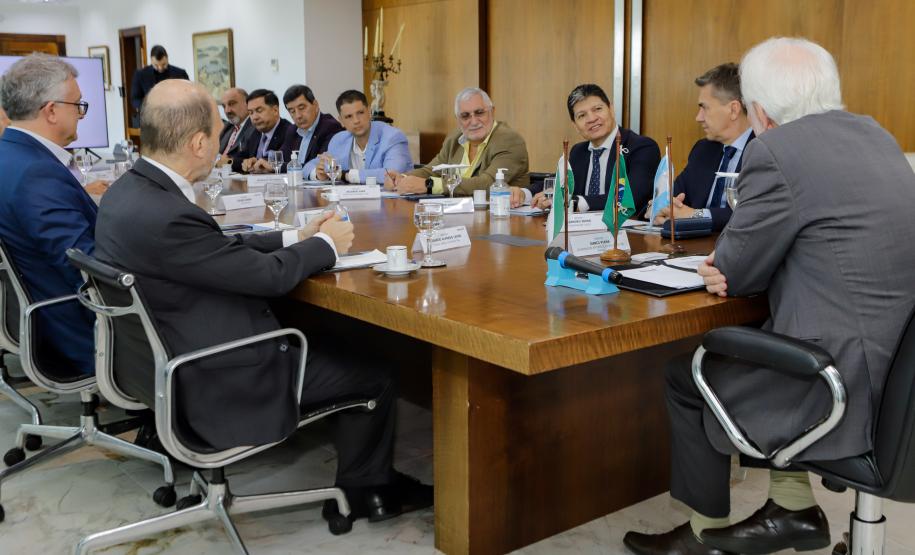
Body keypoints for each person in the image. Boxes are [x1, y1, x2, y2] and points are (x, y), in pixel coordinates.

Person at [623, 37, 915, 555]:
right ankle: (793, 510)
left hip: (845, 386)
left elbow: (736, 269)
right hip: (898, 378)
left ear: (756, 108)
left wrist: (730, 269)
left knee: (690, 371)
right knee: (757, 340)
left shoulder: (777, 150)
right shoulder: (875, 134)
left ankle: (701, 534)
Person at [94, 78, 431, 522]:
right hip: (219, 373)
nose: (222, 144)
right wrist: (327, 244)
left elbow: (215, 254)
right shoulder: (169, 214)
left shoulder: (128, 194)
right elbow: (268, 279)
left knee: (329, 333)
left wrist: (297, 235)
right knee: (378, 370)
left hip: (159, 362)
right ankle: (371, 491)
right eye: (217, 135)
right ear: (198, 143)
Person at [0, 54, 107, 378]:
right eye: (77, 105)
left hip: (40, 317)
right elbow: (85, 266)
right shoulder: (37, 173)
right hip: (79, 332)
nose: (81, 114)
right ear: (51, 110)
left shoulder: (9, 156)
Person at [527, 84, 659, 214]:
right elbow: (559, 183)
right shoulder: (578, 152)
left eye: (597, 109)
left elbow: (630, 196)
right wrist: (524, 193)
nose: (592, 118)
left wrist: (577, 203)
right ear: (575, 125)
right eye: (582, 115)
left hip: (625, 230)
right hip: (581, 230)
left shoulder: (642, 147)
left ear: (611, 109)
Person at [652, 64, 754, 231]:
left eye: (704, 108)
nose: (698, 118)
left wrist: (696, 215)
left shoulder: (766, 152)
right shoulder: (704, 149)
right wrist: (660, 208)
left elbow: (753, 214)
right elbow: (673, 199)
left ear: (733, 110)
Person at [389, 87, 529, 195]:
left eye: (479, 113)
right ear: (458, 120)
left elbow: (488, 184)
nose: (473, 121)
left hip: (499, 217)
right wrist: (402, 178)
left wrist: (429, 185)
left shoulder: (509, 140)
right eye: (465, 116)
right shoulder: (455, 138)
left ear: (492, 112)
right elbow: (431, 170)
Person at [306, 89, 412, 183]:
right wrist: (318, 173)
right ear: (341, 121)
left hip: (391, 203)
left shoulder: (393, 137)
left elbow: (392, 174)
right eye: (349, 116)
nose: (356, 121)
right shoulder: (339, 140)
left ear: (369, 112)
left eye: (360, 113)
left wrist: (345, 175)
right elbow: (307, 167)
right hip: (351, 202)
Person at [283, 84, 343, 171]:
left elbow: (318, 165)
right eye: (292, 111)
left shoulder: (331, 127)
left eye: (302, 108)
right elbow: (282, 159)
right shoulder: (292, 130)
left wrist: (284, 166)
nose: (298, 115)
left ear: (315, 105)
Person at [235, 89, 297, 174]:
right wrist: (246, 162)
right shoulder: (255, 133)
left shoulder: (289, 131)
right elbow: (239, 158)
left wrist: (258, 161)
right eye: (251, 113)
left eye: (259, 110)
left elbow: (286, 161)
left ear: (275, 110)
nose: (254, 117)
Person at [129, 45, 189, 124]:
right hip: (151, 120)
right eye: (156, 65)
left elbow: (188, 95)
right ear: (151, 60)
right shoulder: (140, 75)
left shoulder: (180, 73)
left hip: (176, 119)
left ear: (167, 58)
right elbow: (135, 99)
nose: (160, 68)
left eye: (163, 64)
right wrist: (148, 109)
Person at [217, 87, 255, 165]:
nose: (227, 110)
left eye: (232, 104)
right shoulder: (227, 127)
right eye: (224, 106)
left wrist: (228, 162)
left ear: (247, 104)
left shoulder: (256, 127)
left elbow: (250, 159)